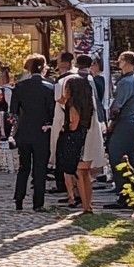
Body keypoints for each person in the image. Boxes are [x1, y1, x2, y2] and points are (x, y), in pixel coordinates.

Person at [10, 54, 55, 212]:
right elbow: (52, 111)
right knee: (40, 168)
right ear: (43, 68)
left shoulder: (20, 87)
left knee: (24, 167)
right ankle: (38, 203)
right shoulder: (50, 87)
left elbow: (13, 112)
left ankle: (19, 199)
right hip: (42, 131)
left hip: (24, 131)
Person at [56, 74, 105, 213]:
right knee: (86, 175)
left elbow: (73, 123)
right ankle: (88, 204)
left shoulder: (73, 105)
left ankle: (85, 206)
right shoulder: (89, 104)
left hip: (77, 142)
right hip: (88, 141)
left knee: (80, 174)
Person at [104, 50, 134, 207]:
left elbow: (117, 107)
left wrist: (111, 123)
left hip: (126, 123)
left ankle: (125, 196)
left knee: (116, 157)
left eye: (120, 60)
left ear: (127, 62)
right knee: (133, 158)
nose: (118, 63)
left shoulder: (126, 82)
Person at [49, 50, 75, 190]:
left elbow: (60, 101)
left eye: (59, 61)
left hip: (63, 119)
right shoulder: (81, 77)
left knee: (61, 151)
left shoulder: (62, 80)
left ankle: (63, 184)